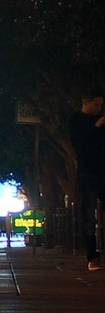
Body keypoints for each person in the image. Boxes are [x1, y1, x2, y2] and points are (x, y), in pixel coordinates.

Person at [67, 93, 105, 269]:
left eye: (100, 106)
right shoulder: (76, 121)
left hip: (101, 170)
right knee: (88, 215)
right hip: (87, 172)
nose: (98, 109)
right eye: (95, 105)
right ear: (85, 101)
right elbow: (82, 145)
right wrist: (96, 128)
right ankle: (92, 256)